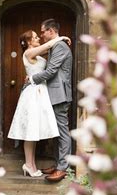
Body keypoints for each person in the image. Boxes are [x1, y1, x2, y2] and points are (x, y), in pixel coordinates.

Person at [8, 30, 71, 177]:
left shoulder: (35, 53)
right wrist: (60, 37)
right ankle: (29, 165)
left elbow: (49, 51)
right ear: (29, 42)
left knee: (34, 130)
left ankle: (32, 165)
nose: (38, 38)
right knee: (30, 131)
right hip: (33, 93)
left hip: (40, 92)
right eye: (35, 37)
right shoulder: (28, 53)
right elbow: (48, 45)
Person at [31, 18, 73, 182]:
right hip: (54, 94)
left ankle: (63, 168)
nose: (41, 35)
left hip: (60, 95)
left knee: (62, 131)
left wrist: (32, 78)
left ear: (51, 31)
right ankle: (58, 164)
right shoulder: (56, 45)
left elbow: (51, 71)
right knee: (56, 131)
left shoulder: (60, 47)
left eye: (43, 31)